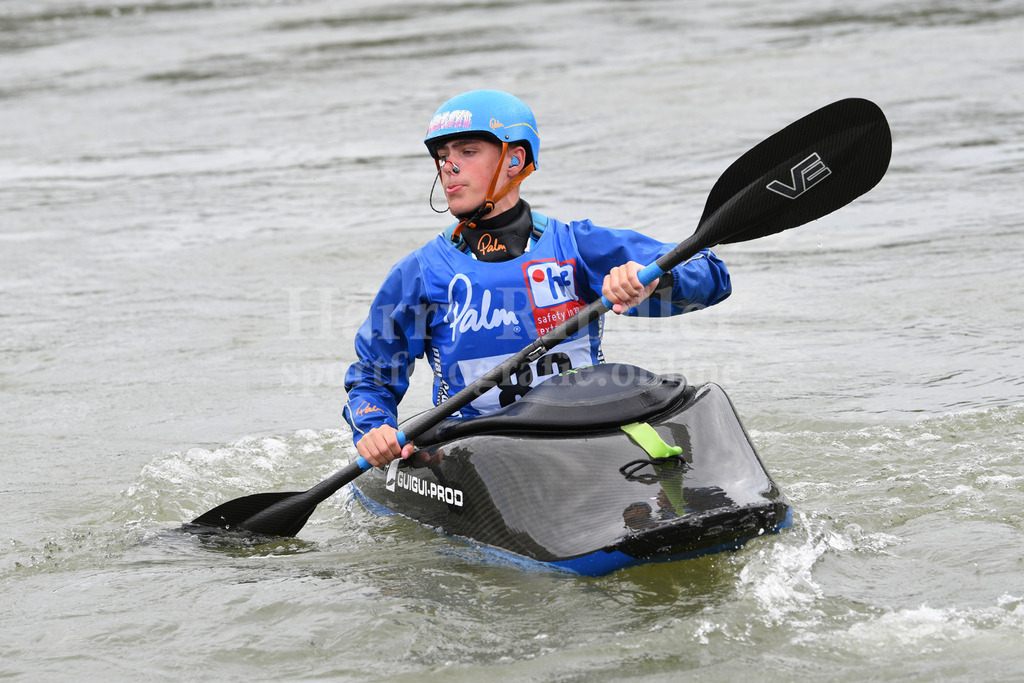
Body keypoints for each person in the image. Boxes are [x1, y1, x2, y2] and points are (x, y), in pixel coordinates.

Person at [343, 90, 731, 467]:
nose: (449, 167)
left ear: (515, 160)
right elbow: (373, 374)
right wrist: (374, 427)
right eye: (443, 156)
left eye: (467, 151)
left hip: (581, 427)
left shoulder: (578, 245)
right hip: (480, 449)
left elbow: (712, 272)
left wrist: (653, 283)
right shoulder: (420, 274)